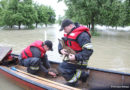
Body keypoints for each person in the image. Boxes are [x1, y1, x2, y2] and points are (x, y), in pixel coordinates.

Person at [58, 19, 93, 86]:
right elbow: (61, 42)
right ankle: (83, 75)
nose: (64, 30)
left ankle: (73, 83)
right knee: (65, 66)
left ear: (70, 26)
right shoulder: (68, 33)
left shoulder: (83, 35)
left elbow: (89, 51)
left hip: (80, 60)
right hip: (72, 57)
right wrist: (60, 50)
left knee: (62, 68)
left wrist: (76, 57)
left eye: (64, 28)